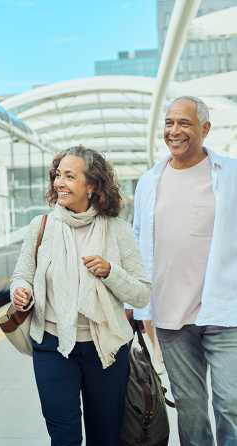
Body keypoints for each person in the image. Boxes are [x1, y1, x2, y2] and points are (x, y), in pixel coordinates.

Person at [11, 146, 150, 446]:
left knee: (105, 436)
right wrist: (20, 291)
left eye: (70, 176)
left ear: (92, 185)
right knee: (63, 437)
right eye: (58, 175)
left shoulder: (117, 230)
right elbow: (21, 275)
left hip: (107, 351)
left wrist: (110, 271)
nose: (59, 182)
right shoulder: (41, 226)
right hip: (52, 346)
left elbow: (141, 294)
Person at [133, 96, 237, 446]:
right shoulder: (149, 182)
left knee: (231, 404)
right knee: (191, 410)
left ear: (205, 129)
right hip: (171, 317)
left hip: (225, 310)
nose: (174, 131)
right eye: (169, 123)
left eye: (184, 123)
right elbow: (136, 242)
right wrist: (136, 303)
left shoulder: (232, 175)